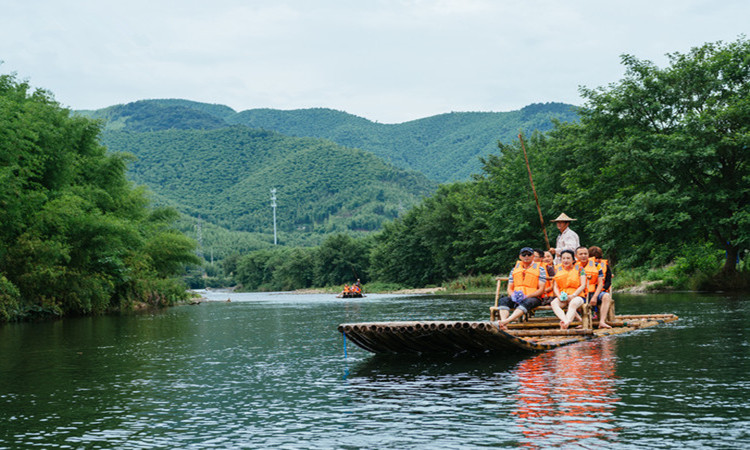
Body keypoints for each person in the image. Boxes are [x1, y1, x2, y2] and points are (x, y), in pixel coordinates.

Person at [496, 247, 547, 329]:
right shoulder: (514, 270)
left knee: (527, 302)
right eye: (524, 254)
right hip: (516, 296)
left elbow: (541, 289)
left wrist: (526, 296)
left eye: (529, 254)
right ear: (520, 257)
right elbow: (509, 287)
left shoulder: (540, 269)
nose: (526, 256)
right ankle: (503, 322)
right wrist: (513, 296)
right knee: (503, 300)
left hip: (533, 297)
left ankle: (506, 322)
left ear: (533, 256)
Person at [575, 246, 611, 329]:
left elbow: (600, 283)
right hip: (580, 294)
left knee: (606, 296)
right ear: (576, 256)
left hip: (594, 292)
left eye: (585, 254)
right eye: (581, 254)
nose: (583, 256)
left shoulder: (597, 266)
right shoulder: (573, 267)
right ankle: (582, 321)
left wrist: (595, 297)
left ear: (588, 255)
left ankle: (602, 322)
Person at [550, 249, 587, 329]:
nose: (565, 260)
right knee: (554, 303)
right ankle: (565, 321)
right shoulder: (557, 269)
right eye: (563, 258)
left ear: (573, 260)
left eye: (568, 258)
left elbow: (583, 285)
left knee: (573, 303)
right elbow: (555, 287)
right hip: (564, 296)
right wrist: (559, 296)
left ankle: (566, 323)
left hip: (578, 296)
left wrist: (573, 295)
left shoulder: (580, 269)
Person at [588, 246, 614, 328]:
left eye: (599, 258)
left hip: (601, 291)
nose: (598, 260)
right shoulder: (584, 266)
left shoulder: (605, 265)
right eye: (596, 258)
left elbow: (608, 280)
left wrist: (603, 289)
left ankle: (602, 321)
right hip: (588, 291)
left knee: (605, 296)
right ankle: (584, 320)